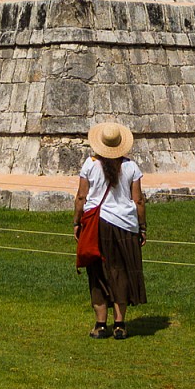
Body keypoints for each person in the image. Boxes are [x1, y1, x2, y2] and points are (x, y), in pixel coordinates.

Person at [75, 119, 147, 338]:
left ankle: (100, 325)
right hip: (124, 226)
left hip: (97, 224)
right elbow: (139, 201)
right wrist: (142, 227)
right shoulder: (131, 167)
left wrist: (77, 221)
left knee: (97, 273)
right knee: (121, 272)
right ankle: (120, 324)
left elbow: (81, 196)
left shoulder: (90, 164)